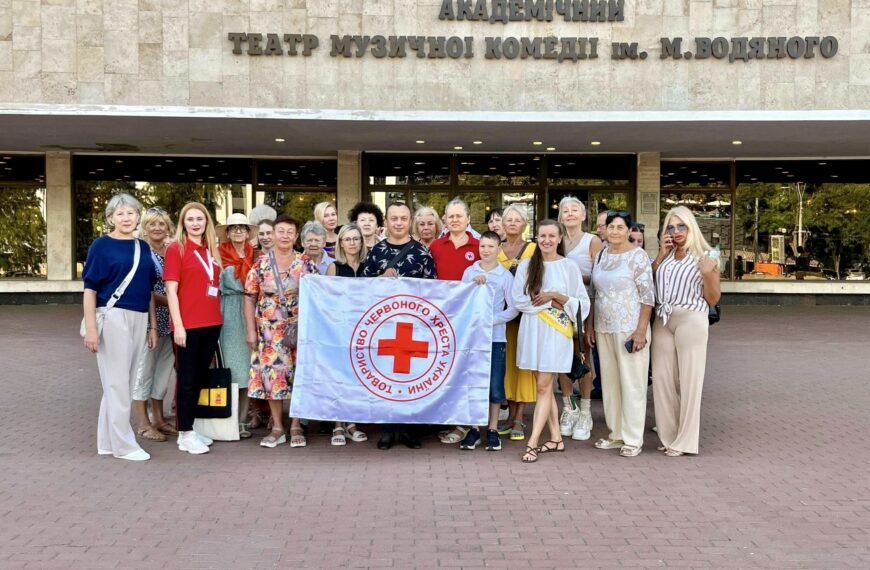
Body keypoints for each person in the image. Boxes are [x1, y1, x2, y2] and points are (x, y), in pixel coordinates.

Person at [82, 193, 158, 461]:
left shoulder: (143, 247)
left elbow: (148, 289)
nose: (126, 218)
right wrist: (92, 329)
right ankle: (125, 445)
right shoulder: (100, 246)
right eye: (120, 213)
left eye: (131, 213)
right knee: (117, 385)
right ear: (110, 218)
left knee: (120, 382)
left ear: (138, 216)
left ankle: (107, 442)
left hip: (139, 317)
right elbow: (90, 289)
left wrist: (152, 326)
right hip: (112, 316)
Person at [512, 220, 590, 463]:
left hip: (556, 332)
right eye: (542, 235)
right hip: (533, 330)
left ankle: (533, 441)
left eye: (551, 236)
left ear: (559, 239)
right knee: (542, 386)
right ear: (537, 238)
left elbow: (582, 304)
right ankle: (556, 438)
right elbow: (519, 300)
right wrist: (550, 302)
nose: (546, 240)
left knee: (545, 386)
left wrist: (555, 296)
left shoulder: (569, 267)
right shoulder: (527, 265)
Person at [363, 202, 436, 449]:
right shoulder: (376, 252)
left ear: (409, 221)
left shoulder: (423, 252)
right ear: (387, 220)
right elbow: (361, 289)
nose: (398, 223)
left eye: (403, 218)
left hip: (413, 328)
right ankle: (387, 429)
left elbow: (434, 289)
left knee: (409, 377)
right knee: (385, 376)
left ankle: (408, 430)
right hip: (383, 328)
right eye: (394, 218)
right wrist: (378, 279)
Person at [651, 206, 721, 456]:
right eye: (671, 227)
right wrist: (660, 254)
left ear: (691, 227)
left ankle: (686, 441)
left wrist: (709, 274)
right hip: (663, 318)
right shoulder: (666, 255)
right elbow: (650, 284)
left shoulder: (706, 255)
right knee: (662, 380)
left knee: (690, 381)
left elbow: (713, 299)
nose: (676, 231)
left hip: (691, 317)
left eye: (681, 226)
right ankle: (669, 436)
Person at [244, 214, 318, 449]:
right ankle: (278, 426)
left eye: (290, 232)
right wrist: (251, 332)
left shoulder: (306, 263)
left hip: (299, 330)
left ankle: (296, 423)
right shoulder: (261, 264)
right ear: (272, 235)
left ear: (296, 237)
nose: (285, 236)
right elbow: (249, 299)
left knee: (299, 377)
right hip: (269, 333)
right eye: (281, 231)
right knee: (272, 379)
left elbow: (319, 296)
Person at [587, 210, 655, 458]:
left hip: (629, 328)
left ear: (628, 230)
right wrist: (590, 325)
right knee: (611, 384)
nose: (614, 231)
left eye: (619, 227)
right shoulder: (603, 254)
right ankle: (616, 433)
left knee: (632, 383)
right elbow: (594, 293)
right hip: (604, 327)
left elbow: (648, 297)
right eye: (610, 227)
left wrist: (640, 331)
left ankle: (633, 438)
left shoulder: (638, 257)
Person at [164, 202, 223, 455]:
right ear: (183, 223)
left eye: (200, 218)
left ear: (206, 222)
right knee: (186, 380)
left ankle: (191, 426)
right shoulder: (176, 249)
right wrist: (178, 324)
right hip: (187, 325)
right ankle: (184, 433)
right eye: (191, 219)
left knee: (199, 377)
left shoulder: (211, 250)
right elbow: (170, 290)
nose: (196, 223)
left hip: (212, 322)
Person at [459, 231, 518, 451]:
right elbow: (461, 300)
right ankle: (473, 428)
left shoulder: (505, 276)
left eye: (490, 247)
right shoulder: (469, 271)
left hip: (495, 339)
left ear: (498, 248)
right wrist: (473, 286)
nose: (485, 250)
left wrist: (491, 320)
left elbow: (513, 308)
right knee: (473, 383)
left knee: (494, 385)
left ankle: (492, 429)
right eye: (482, 246)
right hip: (473, 339)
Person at [429, 199, 481, 444]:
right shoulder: (436, 246)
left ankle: (466, 423)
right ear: (445, 219)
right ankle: (451, 419)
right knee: (446, 370)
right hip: (442, 320)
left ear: (468, 219)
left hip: (470, 320)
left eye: (459, 216)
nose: (455, 220)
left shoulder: (480, 246)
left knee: (467, 370)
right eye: (450, 216)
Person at [556, 197, 603, 441]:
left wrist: (577, 278)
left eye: (575, 210)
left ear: (584, 215)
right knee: (562, 359)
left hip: (582, 310)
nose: (570, 214)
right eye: (566, 210)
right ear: (561, 216)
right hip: (558, 311)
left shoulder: (592, 241)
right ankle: (568, 407)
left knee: (583, 360)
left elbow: (599, 279)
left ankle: (585, 411)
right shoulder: (557, 240)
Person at [131, 206, 177, 444]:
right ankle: (142, 422)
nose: (157, 228)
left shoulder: (171, 250)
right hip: (150, 320)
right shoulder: (141, 252)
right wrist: (172, 302)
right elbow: (145, 290)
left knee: (163, 371)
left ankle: (158, 418)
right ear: (145, 228)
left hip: (171, 320)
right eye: (152, 224)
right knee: (144, 369)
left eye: (162, 224)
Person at [325, 223, 370, 445]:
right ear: (340, 243)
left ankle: (352, 423)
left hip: (364, 331)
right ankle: (338, 425)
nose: (352, 243)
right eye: (347, 239)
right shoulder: (334, 267)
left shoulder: (369, 267)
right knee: (339, 377)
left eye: (356, 239)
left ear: (361, 242)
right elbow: (327, 301)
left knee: (356, 377)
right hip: (340, 330)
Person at [496, 204, 537, 442]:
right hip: (502, 320)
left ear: (524, 224)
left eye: (517, 220)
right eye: (508, 219)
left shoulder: (532, 249)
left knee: (522, 366)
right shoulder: (496, 248)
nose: (512, 223)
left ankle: (520, 416)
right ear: (502, 224)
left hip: (525, 318)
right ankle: (509, 415)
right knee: (507, 367)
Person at [216, 213, 258, 439]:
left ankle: (241, 420)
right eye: (234, 228)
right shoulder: (218, 254)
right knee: (230, 368)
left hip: (250, 309)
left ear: (248, 232)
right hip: (228, 311)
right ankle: (226, 419)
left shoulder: (256, 254)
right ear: (228, 233)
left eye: (242, 228)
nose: (238, 232)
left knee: (247, 369)